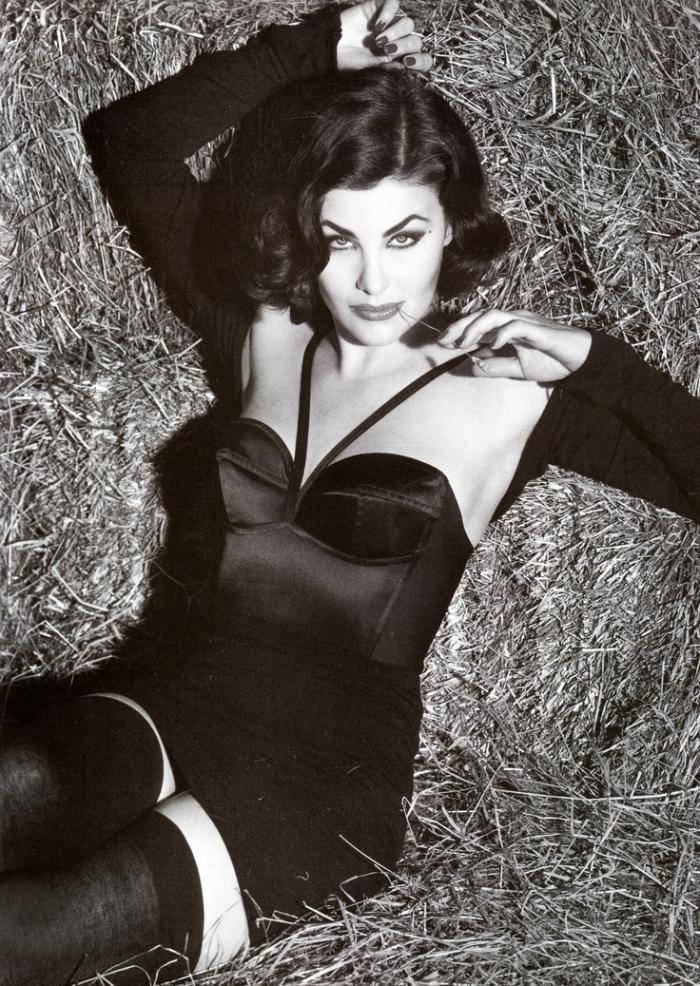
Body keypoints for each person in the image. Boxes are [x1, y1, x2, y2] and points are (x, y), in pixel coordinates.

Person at [1, 1, 698, 983]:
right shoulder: (263, 331)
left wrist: (600, 362)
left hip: (318, 783)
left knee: (23, 933)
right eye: (340, 239)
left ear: (451, 225)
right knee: (17, 785)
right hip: (177, 702)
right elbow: (130, 141)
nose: (372, 280)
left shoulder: (512, 393)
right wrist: (308, 50)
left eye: (405, 237)